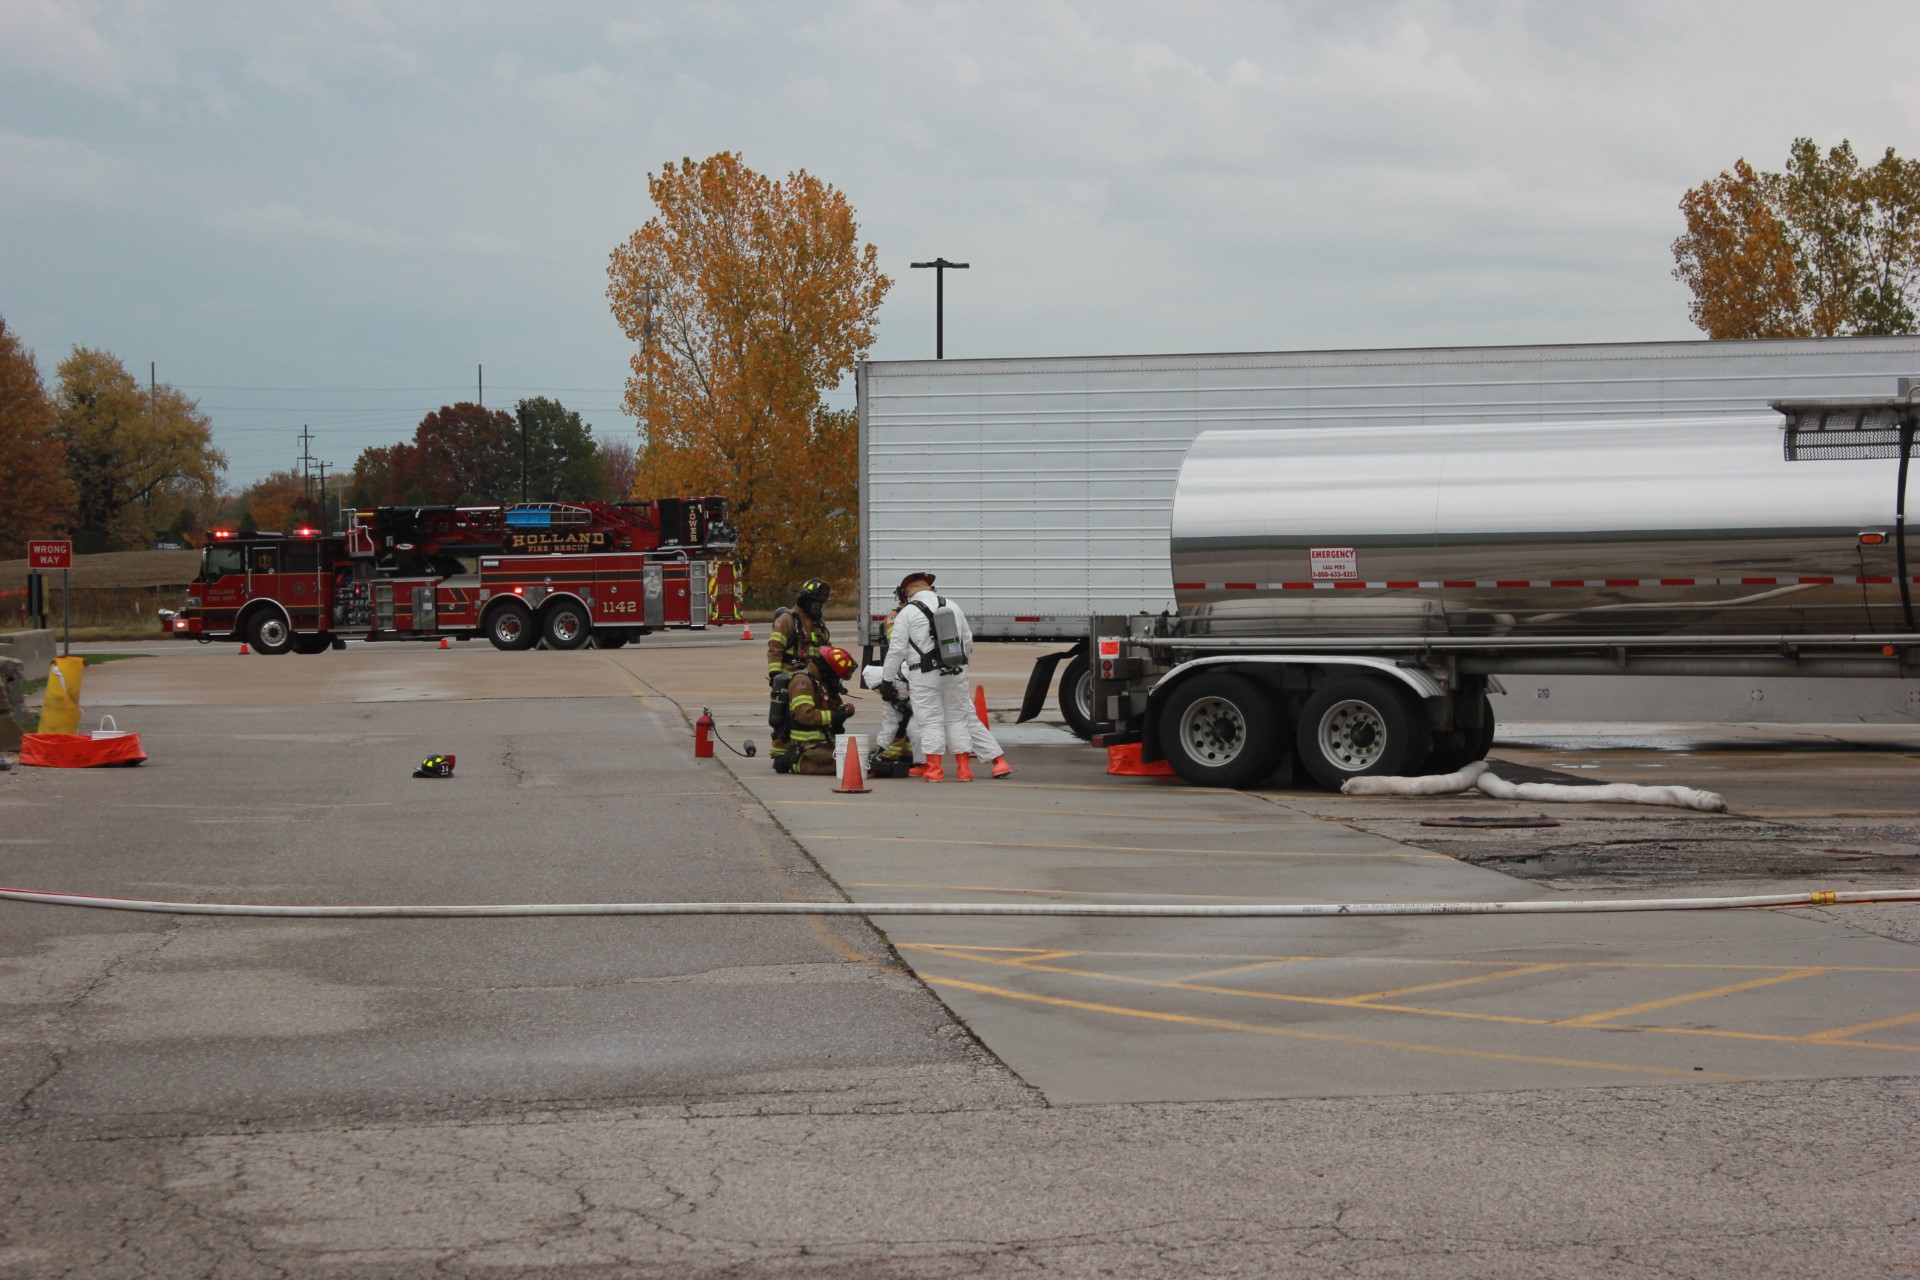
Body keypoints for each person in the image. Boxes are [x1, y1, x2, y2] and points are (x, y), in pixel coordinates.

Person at [880, 572, 1012, 782]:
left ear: (906, 593)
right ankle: (964, 770)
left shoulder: (907, 613)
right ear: (929, 588)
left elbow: (896, 650)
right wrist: (958, 664)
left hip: (923, 674)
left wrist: (887, 680)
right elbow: (967, 640)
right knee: (958, 719)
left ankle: (934, 770)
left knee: (930, 721)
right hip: (956, 671)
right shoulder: (952, 606)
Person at [772, 644, 858, 775]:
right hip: (805, 747)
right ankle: (794, 763)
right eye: (836, 676)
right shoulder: (802, 682)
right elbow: (806, 716)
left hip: (821, 744)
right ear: (828, 670)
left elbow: (831, 706)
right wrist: (836, 716)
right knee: (844, 765)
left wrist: (844, 710)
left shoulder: (821, 682)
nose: (837, 681)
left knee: (854, 758)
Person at [767, 577, 832, 684]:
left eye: (822, 605)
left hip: (815, 678)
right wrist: (776, 676)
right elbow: (775, 649)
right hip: (791, 678)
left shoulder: (819, 624)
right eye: (816, 605)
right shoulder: (787, 619)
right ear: (806, 601)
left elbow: (827, 650)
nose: (819, 608)